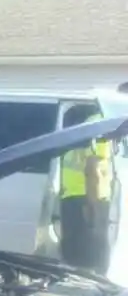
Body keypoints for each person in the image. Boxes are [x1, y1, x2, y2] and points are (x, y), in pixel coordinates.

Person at [57, 106, 115, 273]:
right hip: (87, 197)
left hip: (73, 195)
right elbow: (93, 170)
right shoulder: (103, 122)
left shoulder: (91, 120)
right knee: (92, 257)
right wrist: (94, 207)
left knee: (74, 254)